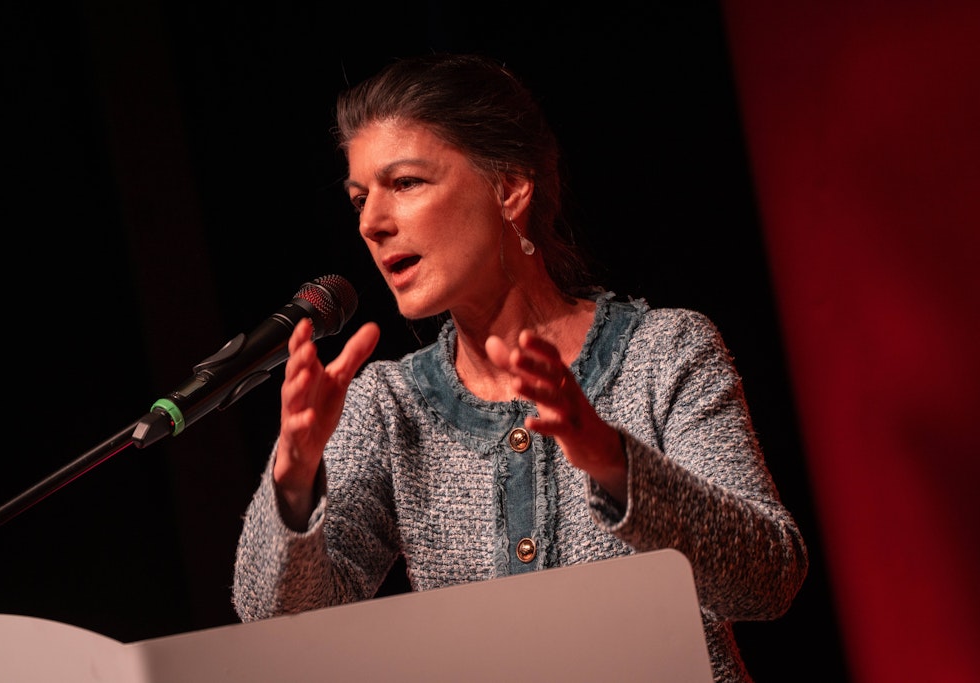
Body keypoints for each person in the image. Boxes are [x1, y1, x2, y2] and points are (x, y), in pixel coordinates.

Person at [232, 52, 808, 682]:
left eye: (406, 183)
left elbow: (768, 580)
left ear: (508, 188)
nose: (371, 223)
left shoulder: (663, 351)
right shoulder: (389, 405)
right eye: (360, 198)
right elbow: (281, 625)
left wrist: (612, 460)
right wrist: (293, 479)